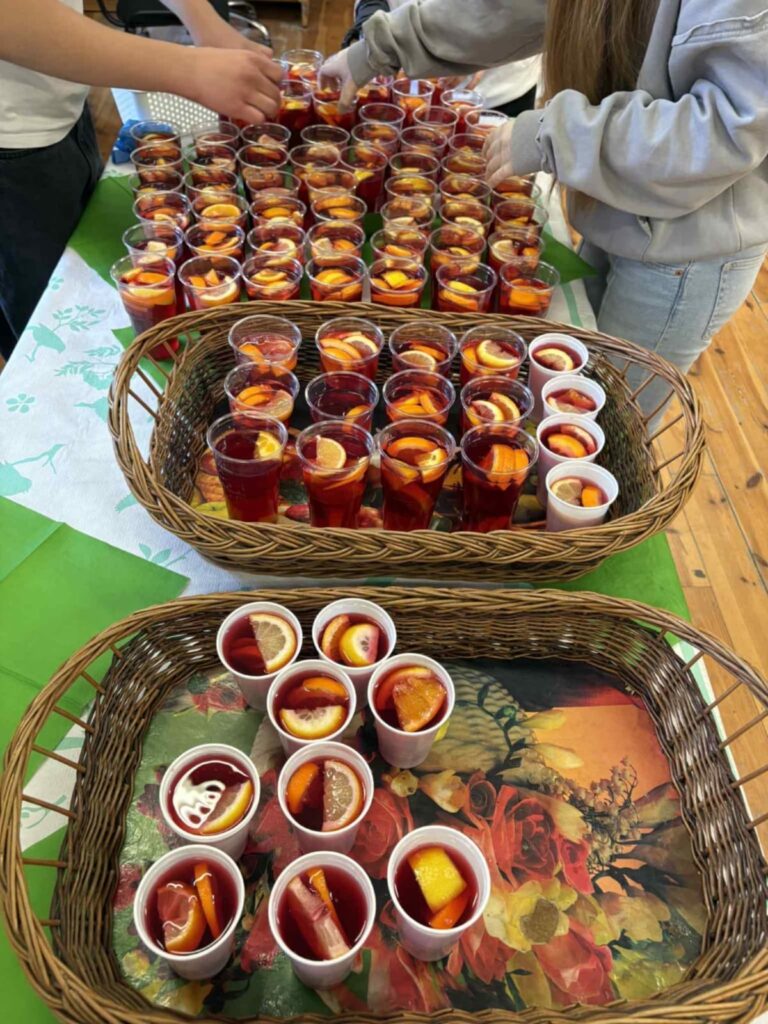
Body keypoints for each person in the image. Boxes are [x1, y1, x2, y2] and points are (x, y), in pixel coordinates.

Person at [323, 0, 768, 415]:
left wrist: (556, 134)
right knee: (574, 392)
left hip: (687, 245)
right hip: (621, 204)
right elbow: (525, 6)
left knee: (604, 422)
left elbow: (729, 127)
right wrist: (380, 47)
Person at [0, 0, 282, 359]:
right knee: (45, 330)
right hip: (12, 142)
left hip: (54, 107)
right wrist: (190, 68)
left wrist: (206, 24)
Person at [342, 0, 541, 119]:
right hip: (398, 83)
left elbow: (525, 9)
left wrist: (483, 46)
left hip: (496, 92)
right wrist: (366, 32)